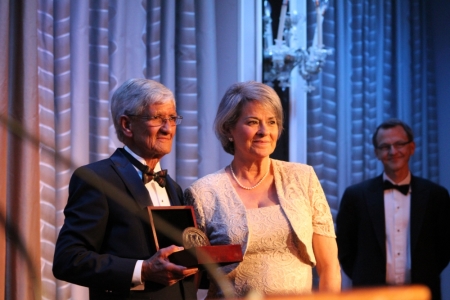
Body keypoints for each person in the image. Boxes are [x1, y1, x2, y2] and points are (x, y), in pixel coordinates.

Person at [184, 81, 341, 298]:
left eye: (272, 122)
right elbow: (191, 278)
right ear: (228, 128)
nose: (264, 131)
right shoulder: (202, 193)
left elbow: (330, 267)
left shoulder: (303, 178)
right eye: (253, 122)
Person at [53, 78, 198, 299]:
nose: (168, 128)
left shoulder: (174, 188)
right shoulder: (96, 179)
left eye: (172, 118)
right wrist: (144, 270)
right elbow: (69, 259)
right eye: (157, 118)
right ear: (127, 125)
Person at [336, 118, 450, 300]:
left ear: (411, 148)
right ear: (377, 153)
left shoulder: (436, 195)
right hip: (371, 295)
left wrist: (425, 275)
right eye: (385, 146)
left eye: (399, 144)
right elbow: (344, 250)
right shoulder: (355, 196)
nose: (393, 151)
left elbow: (444, 248)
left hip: (422, 293)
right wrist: (365, 279)